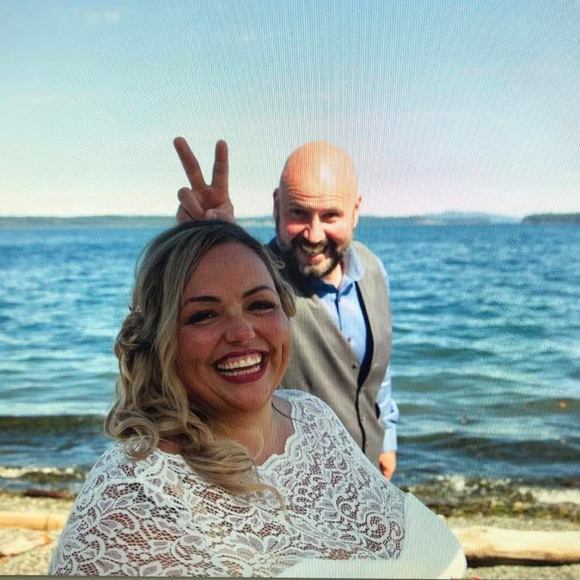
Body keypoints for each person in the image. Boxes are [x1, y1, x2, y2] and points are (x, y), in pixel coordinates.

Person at [50, 220, 465, 577]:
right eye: (204, 314)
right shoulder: (131, 498)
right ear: (160, 339)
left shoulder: (312, 419)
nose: (243, 332)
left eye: (260, 304)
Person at [174, 137, 399, 479]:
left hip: (367, 472)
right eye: (299, 213)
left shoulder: (373, 269)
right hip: (289, 481)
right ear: (277, 206)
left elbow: (379, 371)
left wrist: (387, 438)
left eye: (331, 216)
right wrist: (207, 243)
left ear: (355, 211)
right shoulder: (256, 280)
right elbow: (182, 354)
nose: (314, 234)